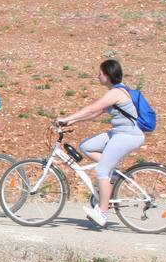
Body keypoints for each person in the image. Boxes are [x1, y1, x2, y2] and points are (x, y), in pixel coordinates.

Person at [55, 58, 146, 228]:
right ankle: (115, 173)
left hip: (128, 135)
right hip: (118, 133)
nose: (98, 76)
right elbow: (94, 114)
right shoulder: (116, 92)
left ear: (107, 75)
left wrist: (67, 117)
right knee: (86, 146)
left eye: (100, 73)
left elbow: (91, 108)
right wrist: (72, 122)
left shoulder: (116, 93)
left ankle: (102, 213)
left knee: (102, 170)